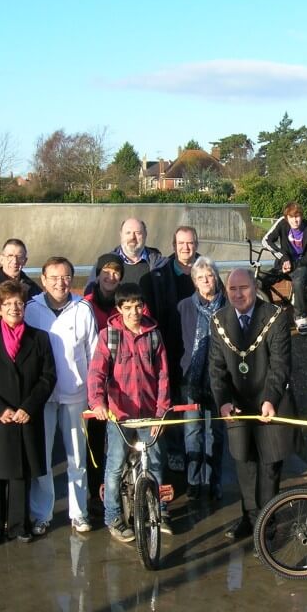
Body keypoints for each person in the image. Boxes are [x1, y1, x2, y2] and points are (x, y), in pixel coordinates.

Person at [0, 280, 57, 545]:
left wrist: (29, 407)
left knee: (20, 474)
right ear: (0, 308)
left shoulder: (39, 338)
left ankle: (19, 525)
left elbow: (47, 376)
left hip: (25, 415)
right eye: (8, 304)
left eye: (19, 303)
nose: (15, 308)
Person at [209, 268, 296, 543]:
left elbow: (280, 365)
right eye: (232, 289)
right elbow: (217, 368)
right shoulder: (219, 320)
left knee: (269, 467)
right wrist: (223, 402)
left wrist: (270, 398)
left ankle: (266, 523)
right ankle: (248, 518)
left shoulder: (275, 317)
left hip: (271, 401)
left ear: (254, 287)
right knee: (244, 464)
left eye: (243, 288)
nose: (238, 294)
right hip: (237, 404)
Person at [87, 282, 172, 542]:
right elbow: (97, 373)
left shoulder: (153, 334)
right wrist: (97, 403)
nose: (134, 312)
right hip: (119, 415)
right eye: (127, 307)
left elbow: (163, 376)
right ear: (119, 309)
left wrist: (161, 413)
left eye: (138, 306)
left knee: (155, 463)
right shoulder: (109, 336)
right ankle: (113, 515)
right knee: (114, 465)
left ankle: (160, 511)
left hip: (149, 413)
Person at [24, 256, 98, 536]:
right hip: (41, 396)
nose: (60, 283)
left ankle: (79, 513)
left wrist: (93, 394)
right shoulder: (32, 309)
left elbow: (93, 353)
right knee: (42, 458)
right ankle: (41, 514)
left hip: (75, 393)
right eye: (53, 278)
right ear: (43, 280)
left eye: (65, 277)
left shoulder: (83, 308)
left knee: (76, 458)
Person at [143, 226, 203, 472]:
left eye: (189, 243)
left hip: (198, 347)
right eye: (181, 243)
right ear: (173, 245)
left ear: (196, 244)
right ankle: (176, 451)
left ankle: (197, 458)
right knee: (171, 403)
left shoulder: (206, 270)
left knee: (194, 405)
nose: (185, 248)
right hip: (170, 345)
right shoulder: (161, 274)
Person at [177, 257, 228, 501]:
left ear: (216, 277)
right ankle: (194, 481)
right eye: (200, 277)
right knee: (192, 431)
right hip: (191, 379)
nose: (205, 280)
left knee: (215, 433)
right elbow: (179, 341)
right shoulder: (185, 306)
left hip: (219, 380)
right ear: (194, 282)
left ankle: (213, 480)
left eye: (209, 275)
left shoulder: (228, 306)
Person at [82, 253, 125, 517]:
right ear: (98, 274)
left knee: (122, 442)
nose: (111, 277)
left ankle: (121, 490)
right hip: (98, 380)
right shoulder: (86, 304)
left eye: (116, 272)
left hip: (123, 383)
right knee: (97, 440)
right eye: (106, 272)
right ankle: (96, 491)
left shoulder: (127, 302)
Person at [262, 202, 307, 335]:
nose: (295, 220)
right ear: (287, 217)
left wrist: (293, 264)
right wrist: (284, 258)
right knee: (262, 281)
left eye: (298, 216)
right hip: (284, 263)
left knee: (298, 283)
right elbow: (266, 240)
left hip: (301, 265)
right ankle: (271, 312)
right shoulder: (282, 223)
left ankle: (301, 320)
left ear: (302, 216)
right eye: (292, 217)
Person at [0, 238, 42, 310]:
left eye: (19, 257)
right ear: (1, 259)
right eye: (10, 256)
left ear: (25, 261)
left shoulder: (34, 290)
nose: (15, 261)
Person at [99, 217, 166, 287]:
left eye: (138, 233)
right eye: (128, 233)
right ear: (121, 235)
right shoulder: (104, 264)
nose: (132, 237)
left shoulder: (161, 264)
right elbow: (91, 294)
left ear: (145, 235)